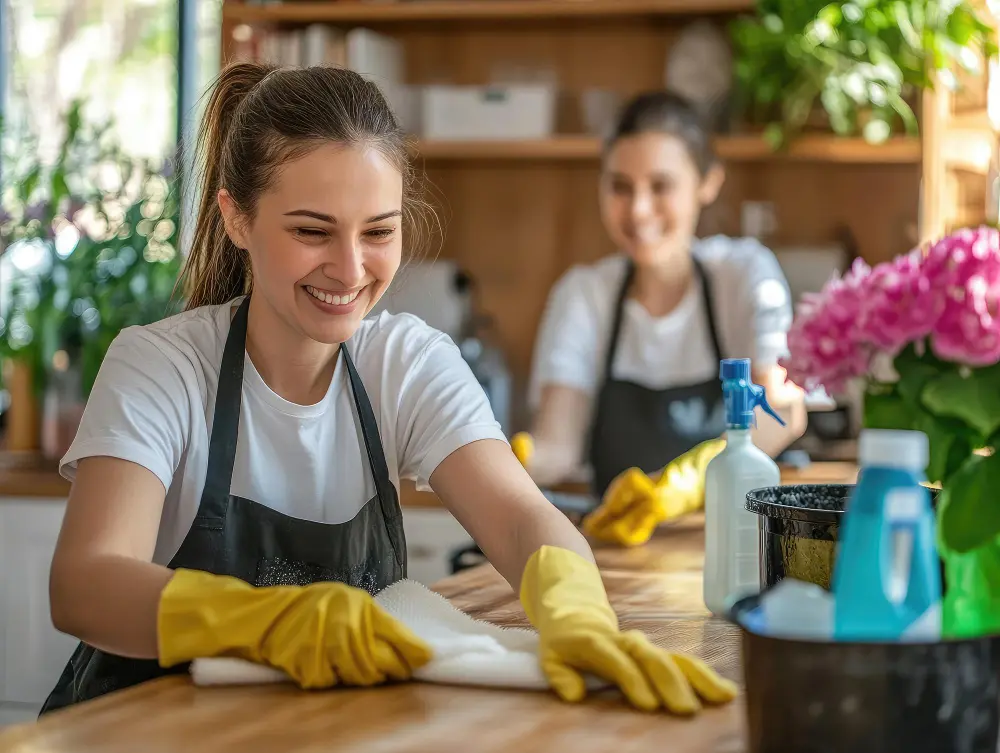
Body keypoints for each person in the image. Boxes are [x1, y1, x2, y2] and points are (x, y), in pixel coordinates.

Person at [40, 64, 736, 717]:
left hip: (323, 727)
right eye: (313, 231)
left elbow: (525, 519)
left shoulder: (405, 363)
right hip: (140, 726)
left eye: (378, 232)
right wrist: (266, 620)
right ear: (236, 218)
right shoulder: (161, 366)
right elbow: (85, 582)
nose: (349, 268)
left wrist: (577, 609)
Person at [513, 91, 806, 546]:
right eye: (620, 186)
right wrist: (513, 459)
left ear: (707, 182)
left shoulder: (744, 274)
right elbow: (559, 443)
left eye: (660, 185)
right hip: (619, 550)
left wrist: (687, 483)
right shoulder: (584, 294)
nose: (638, 210)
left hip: (728, 545)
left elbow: (783, 411)